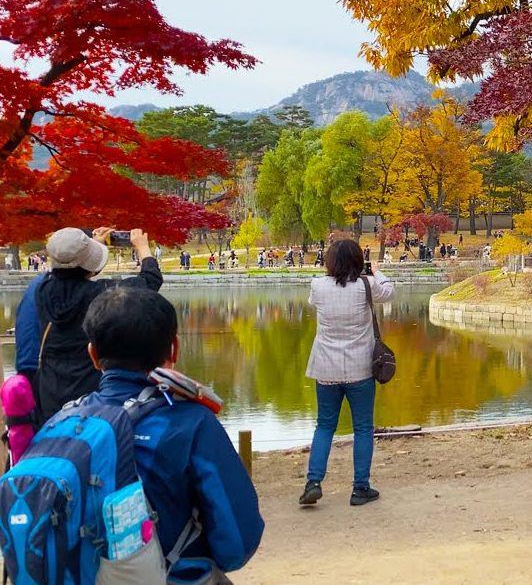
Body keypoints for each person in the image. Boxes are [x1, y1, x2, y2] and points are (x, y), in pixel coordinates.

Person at [82, 287, 264, 576]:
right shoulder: (191, 423)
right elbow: (237, 542)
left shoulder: (62, 421)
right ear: (174, 349)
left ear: (93, 355)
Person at [13, 227, 163, 425]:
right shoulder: (99, 294)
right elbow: (151, 281)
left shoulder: (42, 288)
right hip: (88, 388)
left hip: (49, 388)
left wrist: (86, 250)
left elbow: (71, 274)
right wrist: (142, 248)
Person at [301, 239, 395, 507]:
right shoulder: (366, 285)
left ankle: (313, 481)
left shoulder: (318, 286)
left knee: (324, 425)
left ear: (330, 261)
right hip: (360, 368)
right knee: (363, 428)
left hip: (326, 369)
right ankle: (360, 488)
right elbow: (390, 292)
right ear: (357, 260)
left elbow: (313, 302)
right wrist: (377, 272)